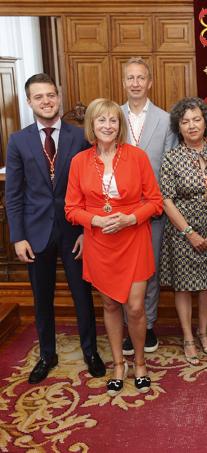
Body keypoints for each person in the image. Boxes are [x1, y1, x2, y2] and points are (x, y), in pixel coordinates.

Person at [5, 73, 105, 384]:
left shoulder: (79, 137)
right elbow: (14, 194)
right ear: (29, 101)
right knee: (42, 297)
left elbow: (93, 189)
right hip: (35, 234)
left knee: (81, 294)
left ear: (58, 97)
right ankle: (47, 354)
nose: (46, 101)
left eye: (51, 95)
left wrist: (88, 233)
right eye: (39, 97)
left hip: (75, 231)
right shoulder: (18, 140)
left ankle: (90, 351)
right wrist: (18, 237)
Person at [65, 98, 163, 396]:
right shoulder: (79, 162)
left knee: (134, 307)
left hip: (133, 238)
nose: (108, 126)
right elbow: (71, 209)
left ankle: (141, 364)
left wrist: (130, 217)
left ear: (119, 126)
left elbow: (155, 202)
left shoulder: (136, 156)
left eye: (113, 121)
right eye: (101, 121)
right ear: (91, 126)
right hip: (100, 242)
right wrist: (94, 220)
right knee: (109, 304)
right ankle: (119, 364)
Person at [159, 97, 207, 365]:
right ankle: (188, 336)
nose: (191, 126)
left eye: (196, 120)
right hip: (181, 232)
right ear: (178, 126)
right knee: (184, 286)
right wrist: (189, 232)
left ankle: (203, 332)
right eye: (185, 121)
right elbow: (166, 199)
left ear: (205, 122)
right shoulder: (171, 157)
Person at [120, 57, 177, 356]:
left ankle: (149, 323)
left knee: (148, 271)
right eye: (130, 78)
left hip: (151, 211)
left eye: (141, 78)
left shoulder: (165, 120)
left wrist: (157, 203)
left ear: (150, 82)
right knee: (122, 272)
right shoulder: (112, 116)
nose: (136, 83)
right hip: (118, 212)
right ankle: (128, 326)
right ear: (124, 82)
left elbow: (167, 167)